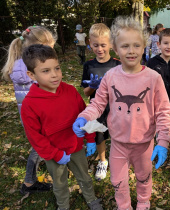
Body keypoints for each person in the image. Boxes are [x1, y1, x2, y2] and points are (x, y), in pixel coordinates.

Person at [73, 16, 170, 210]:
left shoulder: (153, 78)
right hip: (118, 143)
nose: (131, 50)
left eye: (136, 45)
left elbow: (162, 111)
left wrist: (163, 141)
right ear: (116, 49)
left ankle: (143, 202)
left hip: (144, 144)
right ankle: (124, 206)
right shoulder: (110, 76)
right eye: (125, 46)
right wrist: (83, 116)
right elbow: (98, 104)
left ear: (143, 46)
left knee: (144, 178)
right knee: (118, 181)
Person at [21, 44, 103, 210]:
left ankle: (91, 199)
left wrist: (91, 139)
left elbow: (84, 115)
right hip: (54, 153)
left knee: (84, 177)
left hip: (76, 146)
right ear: (31, 75)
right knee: (60, 182)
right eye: (46, 71)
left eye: (57, 68)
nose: (54, 75)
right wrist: (55, 154)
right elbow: (35, 137)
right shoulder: (29, 104)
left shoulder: (70, 91)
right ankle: (63, 205)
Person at [1, 26, 56, 195]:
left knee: (37, 147)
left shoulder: (19, 65)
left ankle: (30, 180)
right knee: (38, 148)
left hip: (28, 117)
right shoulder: (32, 70)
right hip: (37, 118)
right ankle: (28, 182)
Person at [81, 23, 121, 181]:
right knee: (100, 136)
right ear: (90, 43)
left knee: (118, 136)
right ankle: (103, 161)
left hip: (117, 109)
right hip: (98, 110)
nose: (100, 49)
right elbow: (85, 93)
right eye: (95, 45)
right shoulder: (88, 65)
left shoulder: (118, 64)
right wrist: (92, 86)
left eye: (103, 45)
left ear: (111, 44)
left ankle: (118, 160)